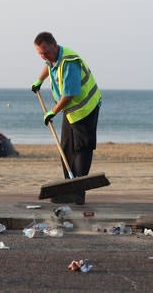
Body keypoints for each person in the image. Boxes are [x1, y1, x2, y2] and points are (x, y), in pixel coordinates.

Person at [31, 32, 102, 204]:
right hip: (71, 111)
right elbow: (49, 65)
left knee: (82, 149)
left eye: (46, 52)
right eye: (40, 53)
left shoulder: (69, 62)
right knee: (66, 148)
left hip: (85, 108)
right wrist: (39, 80)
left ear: (54, 46)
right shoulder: (52, 57)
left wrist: (52, 112)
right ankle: (69, 188)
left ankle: (78, 192)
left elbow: (69, 94)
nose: (43, 57)